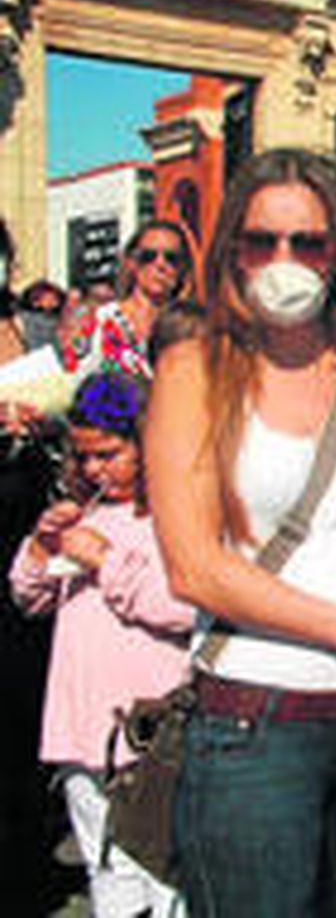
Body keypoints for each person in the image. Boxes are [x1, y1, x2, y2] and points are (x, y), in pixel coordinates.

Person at [145, 148, 336, 916]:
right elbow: (195, 569)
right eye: (261, 241)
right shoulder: (194, 369)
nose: (284, 260)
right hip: (255, 726)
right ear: (232, 252)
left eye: (308, 243)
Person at [9, 372, 192, 918]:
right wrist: (42, 549)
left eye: (109, 454)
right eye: (83, 457)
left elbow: (180, 606)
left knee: (165, 877)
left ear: (148, 442)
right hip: (81, 729)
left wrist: (105, 563)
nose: (94, 469)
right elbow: (29, 599)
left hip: (151, 732)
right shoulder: (84, 512)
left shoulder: (175, 517)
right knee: (107, 873)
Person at [0, 218, 68, 911]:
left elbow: (76, 413)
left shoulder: (33, 331)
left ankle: (26, 862)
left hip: (26, 537)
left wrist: (46, 420)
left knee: (21, 703)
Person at [63, 221, 194, 381]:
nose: (160, 265)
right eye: (148, 256)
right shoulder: (99, 321)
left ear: (182, 268)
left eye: (171, 259)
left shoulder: (190, 329)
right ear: (132, 263)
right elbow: (71, 380)